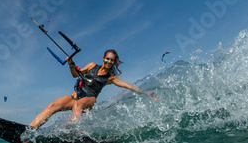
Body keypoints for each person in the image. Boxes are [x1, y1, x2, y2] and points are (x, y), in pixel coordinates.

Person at [29, 49, 160, 127]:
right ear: (103, 58)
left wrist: (147, 93)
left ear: (114, 62)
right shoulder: (92, 65)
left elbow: (128, 86)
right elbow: (76, 74)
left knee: (78, 105)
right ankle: (30, 129)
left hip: (89, 100)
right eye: (107, 59)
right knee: (53, 106)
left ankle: (73, 133)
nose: (109, 62)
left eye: (112, 60)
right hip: (75, 96)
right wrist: (70, 64)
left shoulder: (111, 78)